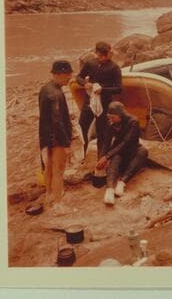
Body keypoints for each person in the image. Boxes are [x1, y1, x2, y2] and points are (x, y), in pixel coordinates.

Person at [96, 101, 149, 205]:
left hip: (132, 149)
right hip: (118, 151)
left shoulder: (133, 122)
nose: (110, 119)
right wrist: (102, 157)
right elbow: (106, 142)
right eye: (109, 117)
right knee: (115, 158)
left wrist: (107, 156)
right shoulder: (111, 122)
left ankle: (122, 182)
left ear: (120, 115)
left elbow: (126, 142)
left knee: (143, 152)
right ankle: (110, 189)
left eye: (112, 117)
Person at [76, 41, 122, 157]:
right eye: (100, 56)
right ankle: (84, 153)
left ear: (109, 54)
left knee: (102, 131)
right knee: (82, 125)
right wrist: (84, 84)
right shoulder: (90, 63)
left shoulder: (114, 68)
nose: (103, 58)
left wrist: (103, 90)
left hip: (105, 102)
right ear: (96, 53)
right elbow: (79, 77)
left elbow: (118, 88)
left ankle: (100, 157)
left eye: (105, 56)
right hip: (89, 100)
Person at [39, 60, 73, 209]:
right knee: (58, 170)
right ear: (58, 74)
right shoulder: (56, 94)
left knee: (49, 168)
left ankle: (49, 196)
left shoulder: (45, 89)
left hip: (46, 137)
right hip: (57, 139)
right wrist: (66, 144)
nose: (69, 78)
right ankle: (58, 204)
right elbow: (58, 121)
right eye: (67, 75)